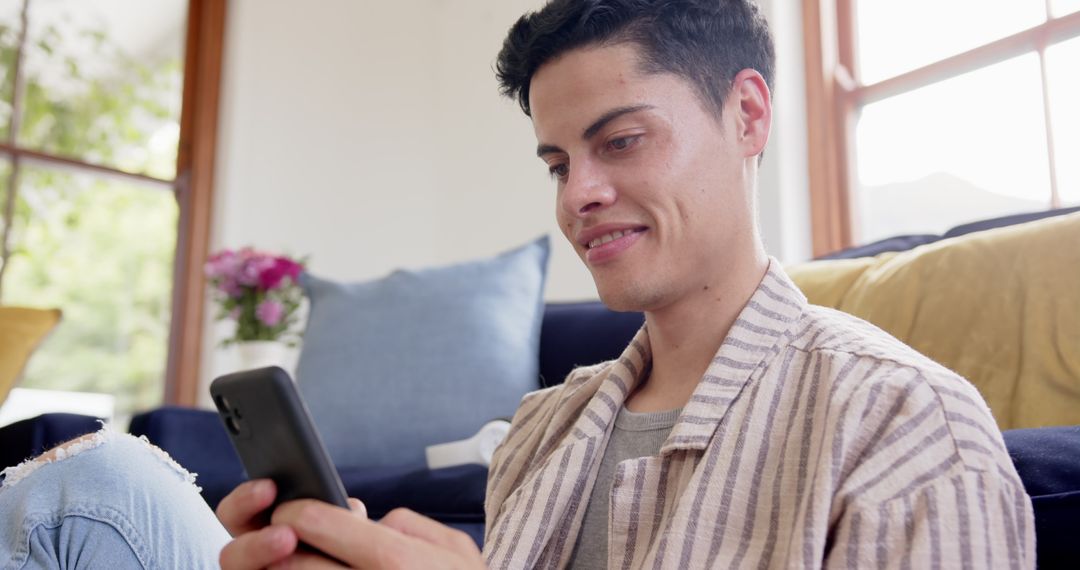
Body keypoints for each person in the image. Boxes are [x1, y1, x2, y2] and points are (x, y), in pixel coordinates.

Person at [0, 0, 1034, 568]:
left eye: (620, 141)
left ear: (749, 115)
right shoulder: (547, 427)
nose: (579, 195)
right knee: (94, 492)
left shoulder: (908, 428)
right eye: (555, 162)